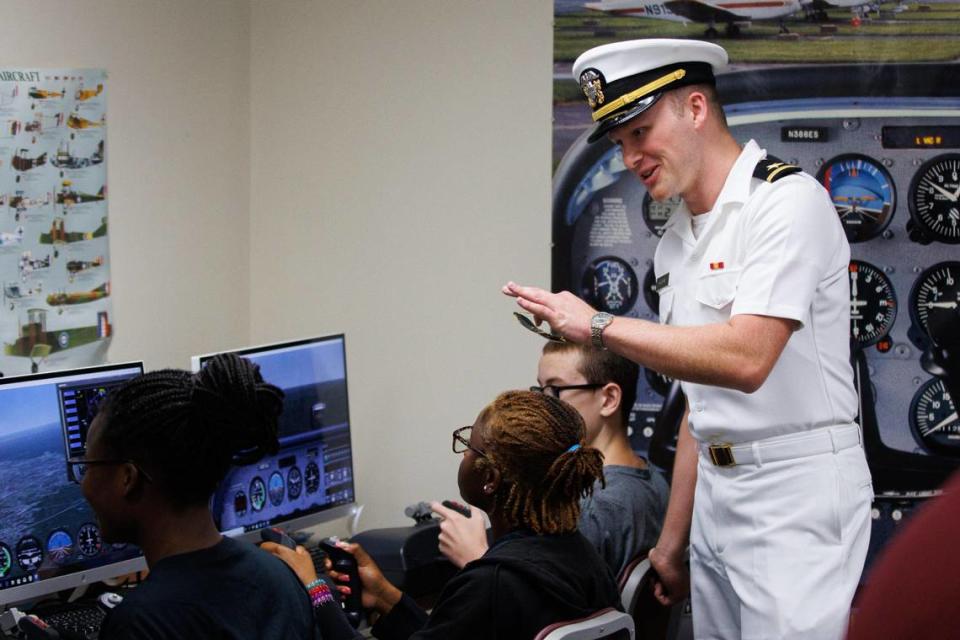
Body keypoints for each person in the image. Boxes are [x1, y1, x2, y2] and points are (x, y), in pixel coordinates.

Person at [504, 39, 872, 639]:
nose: (631, 157)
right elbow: (702, 410)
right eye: (621, 143)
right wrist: (672, 546)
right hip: (719, 498)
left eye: (641, 132)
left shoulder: (784, 204)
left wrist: (596, 324)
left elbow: (748, 358)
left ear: (695, 108)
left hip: (795, 494)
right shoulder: (677, 237)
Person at [267, 390, 621, 639]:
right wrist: (387, 598)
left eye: (469, 446)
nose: (463, 455)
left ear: (490, 479)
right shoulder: (587, 562)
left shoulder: (492, 584)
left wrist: (313, 587)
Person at [76, 353, 354, 640]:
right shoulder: (280, 575)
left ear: (128, 478)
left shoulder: (141, 622)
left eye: (87, 466)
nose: (84, 484)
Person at [434, 341, 668, 578]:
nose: (543, 405)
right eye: (540, 390)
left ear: (608, 399)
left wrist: (476, 558)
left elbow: (547, 603)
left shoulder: (586, 507)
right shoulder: (657, 482)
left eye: (556, 390)